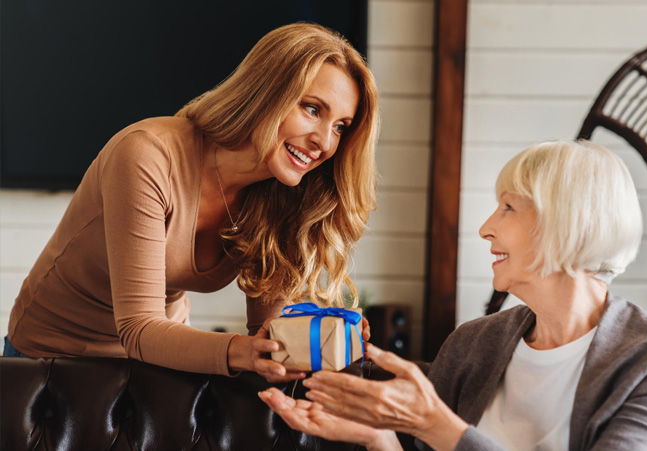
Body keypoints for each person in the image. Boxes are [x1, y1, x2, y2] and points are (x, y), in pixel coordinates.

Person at [260, 140, 647, 450]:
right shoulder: (473, 344)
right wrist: (377, 437)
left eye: (508, 207)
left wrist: (436, 425)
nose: (486, 228)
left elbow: (442, 433)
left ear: (569, 222)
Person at [4, 23, 377, 381]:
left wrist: (321, 336)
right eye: (312, 109)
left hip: (158, 360)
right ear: (264, 92)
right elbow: (138, 328)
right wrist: (246, 351)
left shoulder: (284, 193)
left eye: (340, 127)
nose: (325, 143)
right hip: (51, 360)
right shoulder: (146, 155)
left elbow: (271, 333)